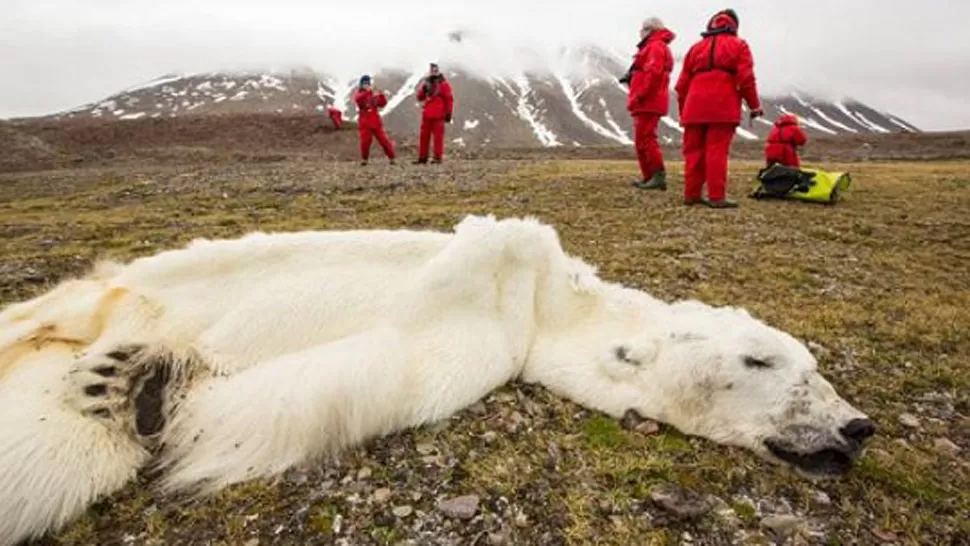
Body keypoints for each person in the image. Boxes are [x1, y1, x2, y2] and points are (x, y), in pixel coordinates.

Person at [675, 8, 764, 208]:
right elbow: (746, 79)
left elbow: (681, 86)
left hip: (693, 106)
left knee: (693, 152)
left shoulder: (695, 48)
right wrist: (754, 105)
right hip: (723, 105)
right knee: (717, 151)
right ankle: (716, 197)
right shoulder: (739, 45)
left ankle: (692, 194)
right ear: (734, 26)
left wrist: (684, 112)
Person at [625, 17, 676, 191]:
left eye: (643, 29)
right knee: (642, 140)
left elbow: (653, 73)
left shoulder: (655, 47)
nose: (640, 33)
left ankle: (657, 175)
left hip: (648, 101)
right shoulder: (654, 47)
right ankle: (649, 176)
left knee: (646, 138)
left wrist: (640, 94)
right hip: (646, 101)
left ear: (650, 30)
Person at [414, 62, 454, 164]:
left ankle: (437, 158)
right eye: (432, 70)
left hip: (439, 115)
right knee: (424, 136)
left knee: (438, 137)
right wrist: (423, 88)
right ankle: (423, 157)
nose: (434, 72)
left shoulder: (444, 84)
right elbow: (419, 97)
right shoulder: (427, 83)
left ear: (438, 71)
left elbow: (449, 99)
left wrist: (448, 113)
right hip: (427, 114)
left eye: (435, 70)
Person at [352, 75, 396, 166]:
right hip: (365, 122)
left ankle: (392, 157)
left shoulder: (373, 94)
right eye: (364, 84)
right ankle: (365, 159)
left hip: (376, 122)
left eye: (368, 84)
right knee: (365, 142)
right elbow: (358, 99)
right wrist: (368, 92)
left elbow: (382, 104)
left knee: (384, 140)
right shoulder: (359, 94)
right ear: (361, 85)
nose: (366, 86)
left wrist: (381, 95)